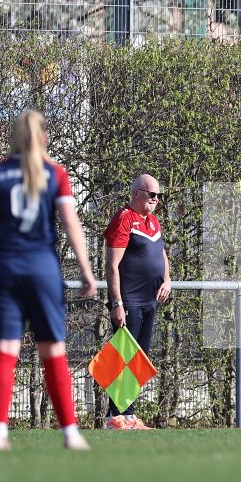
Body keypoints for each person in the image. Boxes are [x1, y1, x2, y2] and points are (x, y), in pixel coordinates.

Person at [0, 109, 97, 451]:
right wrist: (85, 268)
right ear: (43, 137)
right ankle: (69, 432)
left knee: (5, 350)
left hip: (5, 268)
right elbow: (70, 224)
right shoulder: (55, 174)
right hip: (42, 269)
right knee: (53, 351)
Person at [102, 174, 171, 430]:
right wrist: (117, 303)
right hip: (129, 299)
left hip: (149, 300)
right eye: (152, 194)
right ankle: (115, 416)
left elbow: (161, 253)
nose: (156, 199)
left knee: (139, 360)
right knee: (124, 358)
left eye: (158, 195)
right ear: (136, 194)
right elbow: (112, 266)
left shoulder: (153, 222)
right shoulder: (124, 219)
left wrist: (167, 279)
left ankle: (129, 415)